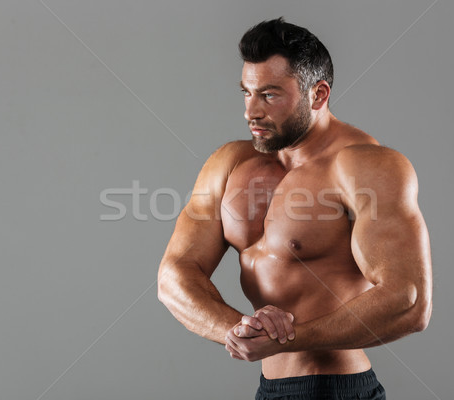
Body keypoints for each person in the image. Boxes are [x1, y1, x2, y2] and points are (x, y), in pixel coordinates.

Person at [158, 17, 432, 400]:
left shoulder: (365, 166)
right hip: (269, 388)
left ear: (318, 95)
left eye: (269, 95)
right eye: (246, 93)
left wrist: (288, 339)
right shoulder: (231, 162)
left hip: (334, 389)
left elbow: (410, 300)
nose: (250, 111)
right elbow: (174, 275)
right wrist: (239, 331)